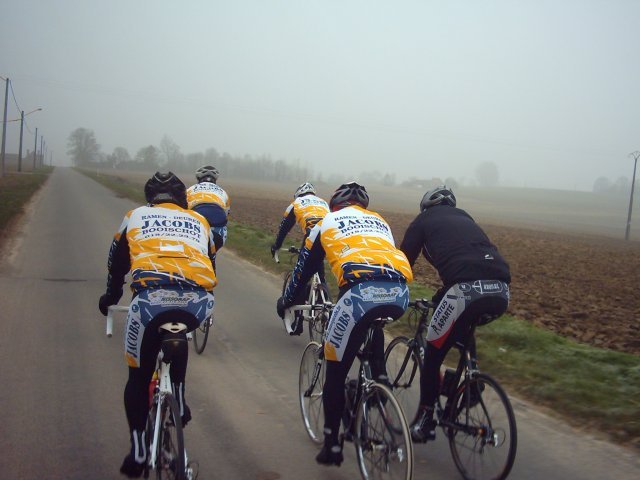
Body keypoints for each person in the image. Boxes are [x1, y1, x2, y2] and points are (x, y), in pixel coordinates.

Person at [276, 181, 413, 467]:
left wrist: (286, 301)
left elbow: (303, 273)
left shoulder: (325, 222)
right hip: (399, 294)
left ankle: (332, 446)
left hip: (360, 297)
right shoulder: (380, 222)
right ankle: (379, 379)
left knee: (335, 371)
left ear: (334, 204)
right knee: (371, 323)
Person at [98, 172, 217, 478]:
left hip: (149, 304)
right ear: (183, 199)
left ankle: (138, 452)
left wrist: (110, 297)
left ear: (150, 198)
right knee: (179, 328)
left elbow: (117, 264)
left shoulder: (134, 216)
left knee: (138, 379)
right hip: (197, 303)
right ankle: (178, 397)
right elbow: (210, 262)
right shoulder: (200, 222)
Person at [399, 185, 511, 443]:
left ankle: (426, 421)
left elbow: (403, 262)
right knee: (464, 321)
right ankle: (472, 377)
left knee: (433, 353)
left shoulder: (423, 220)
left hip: (465, 289)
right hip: (501, 291)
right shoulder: (465, 217)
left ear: (426, 207)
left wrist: (393, 291)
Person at [270, 182, 330, 335]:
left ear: (298, 195)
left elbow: (284, 228)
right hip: (329, 236)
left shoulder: (295, 203)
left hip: (313, 235)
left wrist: (276, 246)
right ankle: (326, 304)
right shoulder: (324, 203)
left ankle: (298, 321)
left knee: (301, 274)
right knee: (320, 274)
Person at [186, 165, 231, 270]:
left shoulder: (189, 190)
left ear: (198, 179)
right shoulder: (223, 192)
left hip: (195, 227)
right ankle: (211, 267)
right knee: (211, 253)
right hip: (217, 230)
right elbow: (226, 215)